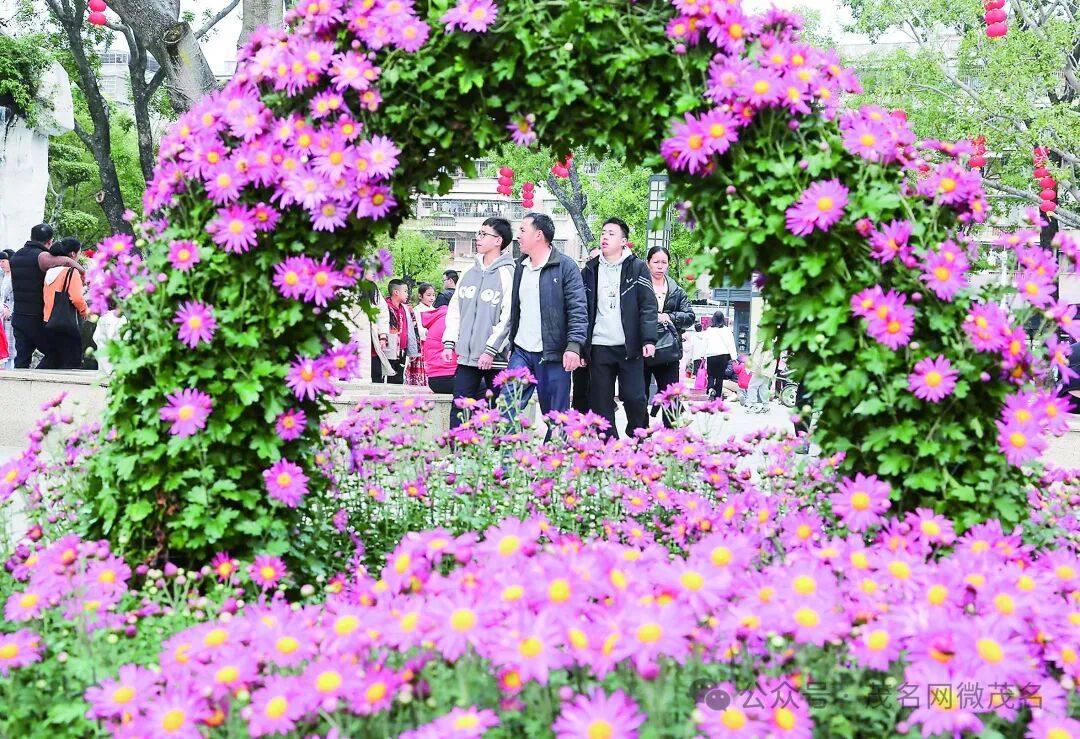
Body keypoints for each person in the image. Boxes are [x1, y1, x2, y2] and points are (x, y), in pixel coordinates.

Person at [504, 213, 587, 433]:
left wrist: (574, 346)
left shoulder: (566, 267)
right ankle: (507, 454)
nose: (518, 236)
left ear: (539, 235)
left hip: (554, 353)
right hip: (522, 351)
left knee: (556, 418)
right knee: (506, 407)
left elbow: (578, 309)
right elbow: (516, 310)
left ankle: (553, 455)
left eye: (523, 230)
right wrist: (511, 344)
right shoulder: (520, 267)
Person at [581, 218, 657, 437]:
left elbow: (648, 305)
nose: (605, 237)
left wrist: (649, 339)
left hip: (628, 346)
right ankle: (608, 444)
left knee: (635, 397)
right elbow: (582, 309)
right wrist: (581, 347)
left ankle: (638, 436)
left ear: (624, 241)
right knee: (600, 400)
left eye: (611, 233)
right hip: (599, 345)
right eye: (603, 233)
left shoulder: (637, 267)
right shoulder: (590, 269)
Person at [442, 217, 515, 428]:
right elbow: (455, 309)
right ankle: (458, 447)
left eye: (484, 234)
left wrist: (490, 350)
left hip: (495, 359)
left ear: (498, 240)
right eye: (479, 233)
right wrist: (449, 342)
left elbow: (509, 317)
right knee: (460, 410)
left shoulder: (508, 274)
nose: (478, 238)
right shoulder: (468, 272)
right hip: (466, 358)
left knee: (496, 412)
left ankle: (494, 448)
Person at [10, 224, 83, 369]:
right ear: (50, 241)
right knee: (56, 354)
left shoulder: (16, 256)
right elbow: (66, 261)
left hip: (18, 316)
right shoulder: (42, 256)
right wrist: (82, 270)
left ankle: (19, 384)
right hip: (36, 317)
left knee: (21, 361)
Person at [642, 245, 695, 426]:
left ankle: (670, 435)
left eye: (664, 262)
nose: (660, 266)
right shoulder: (639, 287)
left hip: (668, 350)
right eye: (656, 262)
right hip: (642, 348)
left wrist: (669, 317)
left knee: (670, 395)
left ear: (668, 265)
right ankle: (641, 433)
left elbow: (689, 317)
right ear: (648, 263)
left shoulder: (676, 291)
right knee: (639, 396)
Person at [42, 237, 90, 369]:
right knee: (71, 363)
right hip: (66, 323)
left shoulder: (50, 271)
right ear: (73, 254)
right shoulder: (71, 272)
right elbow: (76, 298)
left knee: (54, 362)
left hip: (48, 321)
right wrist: (85, 311)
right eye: (79, 252)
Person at [385, 279, 419, 385]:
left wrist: (414, 349)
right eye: (405, 291)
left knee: (399, 378)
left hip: (402, 349)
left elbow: (413, 329)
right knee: (387, 377)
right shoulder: (385, 307)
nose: (407, 294)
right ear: (396, 292)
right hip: (388, 348)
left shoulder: (407, 309)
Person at [700, 311, 738, 401]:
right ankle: (717, 396)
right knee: (720, 377)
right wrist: (734, 358)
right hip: (723, 356)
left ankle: (710, 389)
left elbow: (704, 343)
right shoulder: (727, 330)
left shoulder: (709, 330)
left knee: (711, 375)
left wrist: (702, 355)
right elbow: (731, 344)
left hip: (711, 355)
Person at [421, 304, 457, 394]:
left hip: (436, 378)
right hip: (447, 376)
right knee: (485, 388)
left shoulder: (442, 318)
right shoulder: (450, 321)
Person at [93, 305, 128, 374]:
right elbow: (126, 338)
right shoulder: (122, 318)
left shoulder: (102, 318)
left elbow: (95, 337)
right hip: (117, 361)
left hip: (103, 362)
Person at [744, 338, 776, 413]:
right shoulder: (770, 342)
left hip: (761, 369)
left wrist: (758, 368)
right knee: (763, 387)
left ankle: (753, 405)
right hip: (767, 370)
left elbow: (763, 357)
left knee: (752, 386)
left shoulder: (764, 342)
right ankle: (766, 406)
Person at [0, 249, 14, 369]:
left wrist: (10, 310)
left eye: (3, 261)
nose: (1, 264)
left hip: (11, 314)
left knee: (11, 346)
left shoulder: (16, 276)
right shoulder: (2, 276)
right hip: (1, 313)